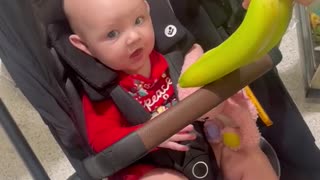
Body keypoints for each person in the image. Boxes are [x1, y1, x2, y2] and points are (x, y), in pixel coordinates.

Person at [62, 0, 284, 179]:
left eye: (139, 20)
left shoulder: (173, 58)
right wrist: (148, 134)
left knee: (248, 157)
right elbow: (101, 140)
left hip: (204, 146)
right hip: (146, 166)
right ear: (84, 45)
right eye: (112, 34)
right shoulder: (102, 91)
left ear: (148, 9)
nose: (133, 37)